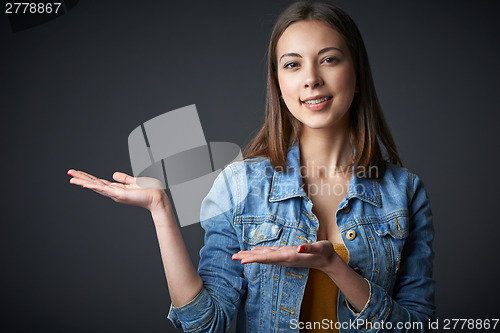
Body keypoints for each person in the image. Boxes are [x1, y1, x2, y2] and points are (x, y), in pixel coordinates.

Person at [68, 1, 435, 332]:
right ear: (279, 84)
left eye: (329, 59)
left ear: (356, 77)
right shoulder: (239, 186)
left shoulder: (404, 192)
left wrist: (334, 267)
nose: (311, 78)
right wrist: (160, 209)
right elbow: (206, 325)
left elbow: (418, 327)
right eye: (292, 64)